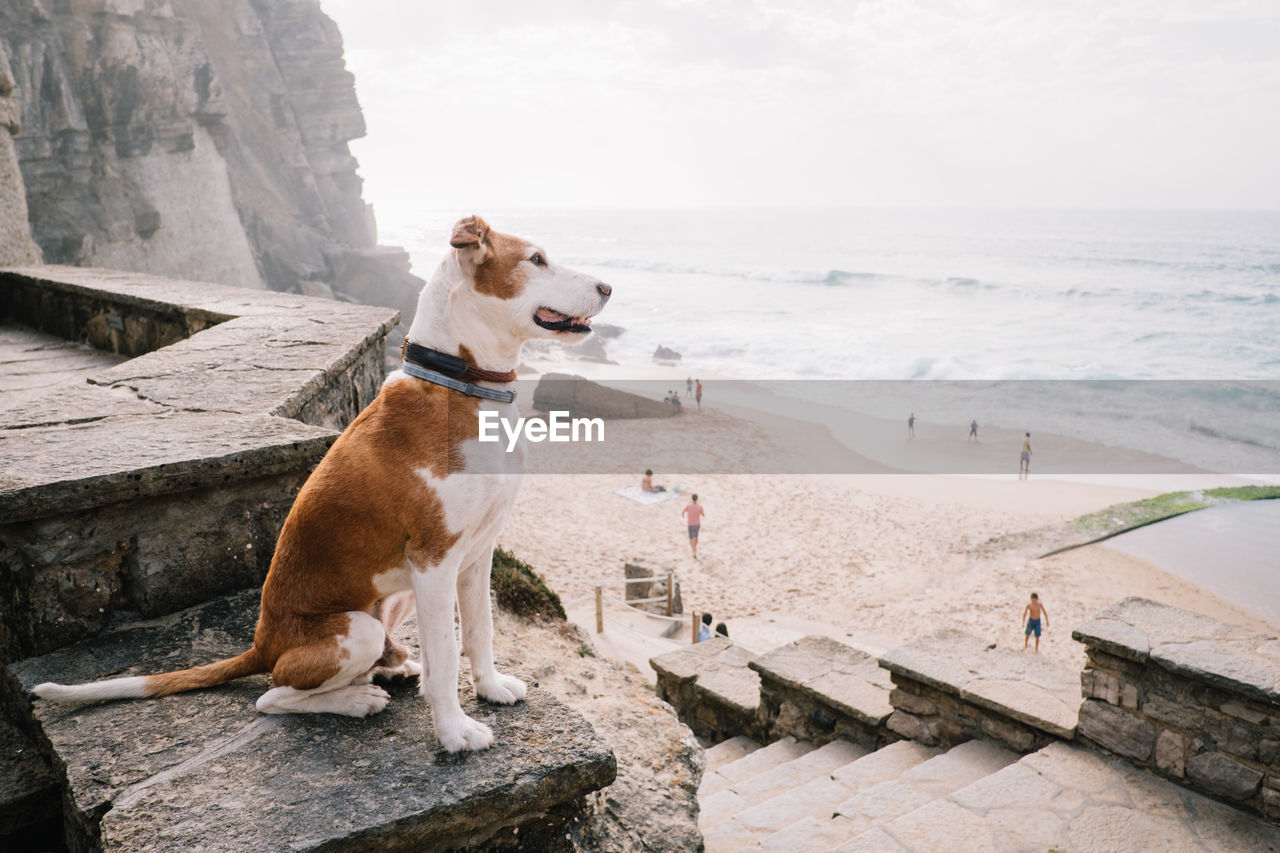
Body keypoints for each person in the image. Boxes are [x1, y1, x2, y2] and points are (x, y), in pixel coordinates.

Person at [682, 494, 705, 558]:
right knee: (696, 537)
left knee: (691, 538)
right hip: (697, 524)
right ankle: (694, 548)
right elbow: (703, 514)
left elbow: (683, 512)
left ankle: (694, 550)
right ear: (697, 499)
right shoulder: (700, 507)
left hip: (690, 524)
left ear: (692, 499)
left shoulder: (688, 506)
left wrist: (683, 515)